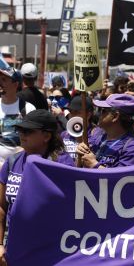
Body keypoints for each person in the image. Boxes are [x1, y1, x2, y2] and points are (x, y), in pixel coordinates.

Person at [0, 109, 74, 255]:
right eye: (19, 130)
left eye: (27, 131)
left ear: (46, 136)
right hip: (14, 246)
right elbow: (1, 208)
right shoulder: (11, 162)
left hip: (50, 248)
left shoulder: (62, 163)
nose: (21, 134)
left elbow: (70, 208)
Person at [76, 94, 134, 168]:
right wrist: (80, 155)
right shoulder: (98, 139)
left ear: (115, 116)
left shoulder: (133, 148)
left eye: (103, 111)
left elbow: (123, 178)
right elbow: (79, 169)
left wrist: (94, 165)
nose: (98, 113)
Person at [0, 68, 35, 165]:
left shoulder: (28, 108)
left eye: (4, 80)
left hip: (18, 167)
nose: (0, 82)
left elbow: (35, 139)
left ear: (16, 84)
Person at [60, 96, 96, 160]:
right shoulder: (64, 134)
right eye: (71, 112)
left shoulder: (96, 135)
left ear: (88, 115)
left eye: (77, 112)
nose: (73, 116)